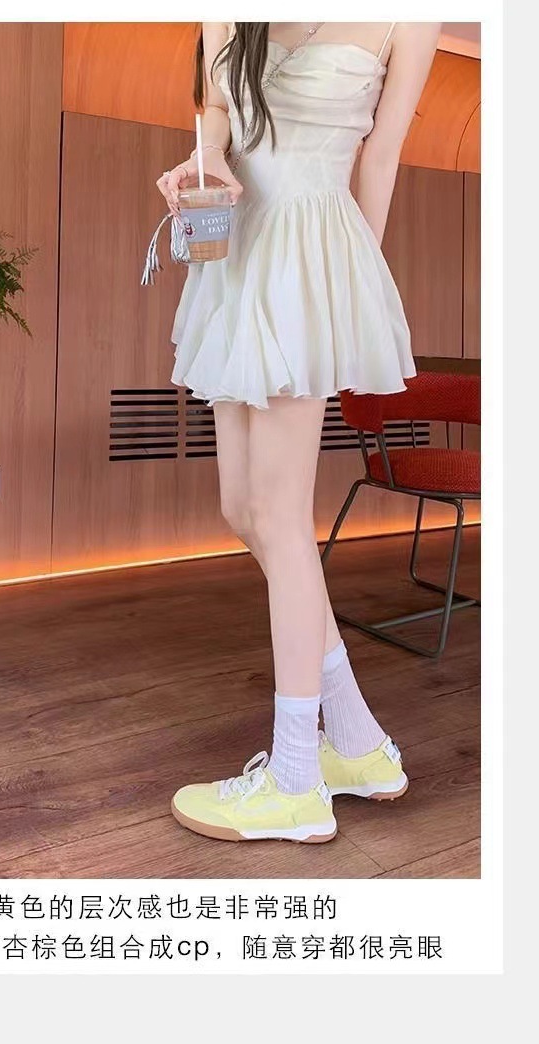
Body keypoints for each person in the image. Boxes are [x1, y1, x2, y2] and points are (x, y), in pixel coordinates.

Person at [156, 22, 440, 844]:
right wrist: (204, 157)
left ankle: (294, 781)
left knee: (280, 517)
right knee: (243, 510)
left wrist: (350, 295)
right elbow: (218, 108)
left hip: (312, 254)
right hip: (236, 247)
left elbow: (380, 158)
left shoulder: (411, 17)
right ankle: (356, 742)